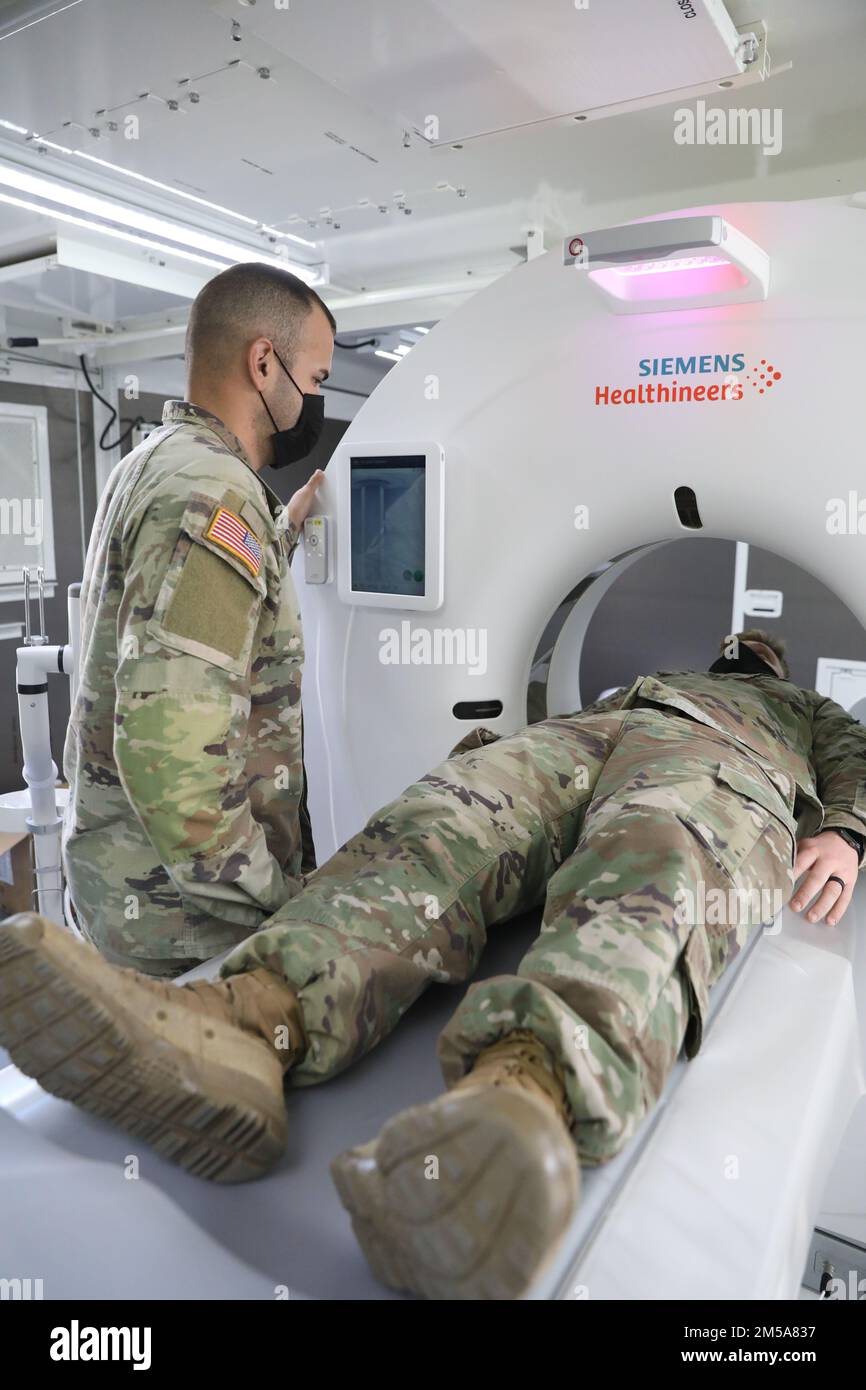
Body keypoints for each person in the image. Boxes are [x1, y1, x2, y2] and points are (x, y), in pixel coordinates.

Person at [3, 628, 865, 1300]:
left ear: (770, 663)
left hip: (720, 766)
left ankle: (519, 1099)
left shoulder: (802, 710)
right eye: (737, 647)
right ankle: (248, 1022)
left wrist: (849, 832)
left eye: (752, 650)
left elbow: (856, 760)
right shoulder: (658, 676)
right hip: (587, 734)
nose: (741, 651)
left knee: (656, 860)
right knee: (445, 816)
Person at [63, 263, 335, 975]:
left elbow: (178, 614)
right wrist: (280, 901)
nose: (316, 401)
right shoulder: (216, 494)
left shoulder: (152, 464)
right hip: (188, 924)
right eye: (317, 380)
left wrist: (277, 534)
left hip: (119, 888)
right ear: (263, 361)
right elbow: (169, 754)